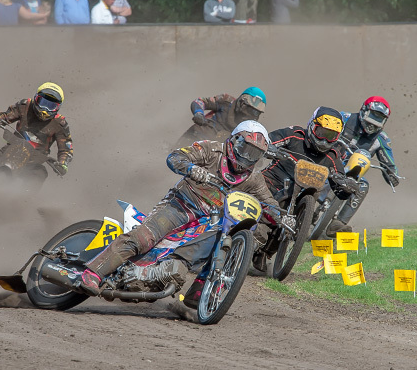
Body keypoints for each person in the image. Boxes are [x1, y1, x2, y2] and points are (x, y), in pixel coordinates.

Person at [74, 120, 278, 306]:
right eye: (245, 148)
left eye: (254, 154)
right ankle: (93, 273)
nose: (246, 157)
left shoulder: (254, 179)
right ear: (234, 140)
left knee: (221, 244)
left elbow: (269, 202)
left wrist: (283, 217)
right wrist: (191, 168)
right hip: (181, 205)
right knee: (145, 238)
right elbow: (175, 157)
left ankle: (198, 293)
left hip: (211, 220)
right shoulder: (212, 150)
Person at [251, 107, 360, 270]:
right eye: (321, 132)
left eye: (331, 136)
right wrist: (270, 147)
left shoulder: (332, 156)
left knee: (292, 220)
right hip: (271, 182)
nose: (324, 140)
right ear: (312, 126)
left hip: (300, 199)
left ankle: (266, 252)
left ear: (337, 137)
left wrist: (347, 186)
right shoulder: (295, 134)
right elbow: (267, 140)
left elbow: (340, 188)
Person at [326, 96, 400, 236]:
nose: (373, 123)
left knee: (363, 185)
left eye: (379, 119)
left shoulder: (382, 139)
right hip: (327, 161)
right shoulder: (343, 118)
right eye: (372, 116)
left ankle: (338, 224)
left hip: (353, 173)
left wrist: (392, 175)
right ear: (363, 110)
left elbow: (390, 165)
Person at [0, 82, 73, 185]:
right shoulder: (25, 106)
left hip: (33, 163)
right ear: (36, 98)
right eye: (42, 102)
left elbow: (66, 149)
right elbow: (6, 116)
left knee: (39, 175)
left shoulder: (60, 124)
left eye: (51, 106)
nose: (45, 110)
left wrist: (63, 164)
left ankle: (21, 199)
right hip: (9, 151)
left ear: (58, 108)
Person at [177, 87, 267, 144]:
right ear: (241, 102)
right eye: (249, 110)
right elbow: (200, 102)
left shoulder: (251, 128)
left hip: (215, 151)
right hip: (197, 135)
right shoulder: (226, 101)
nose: (251, 115)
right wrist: (199, 114)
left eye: (256, 112)